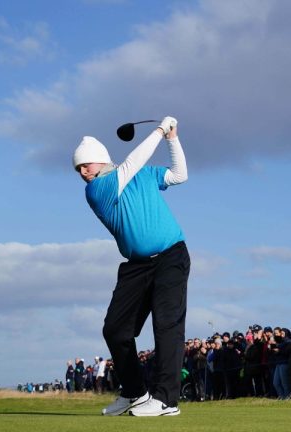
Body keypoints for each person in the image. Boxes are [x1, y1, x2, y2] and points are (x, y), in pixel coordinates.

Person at [73, 117, 189, 417]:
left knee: (166, 325)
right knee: (115, 330)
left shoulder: (143, 175)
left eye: (86, 165)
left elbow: (179, 175)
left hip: (171, 257)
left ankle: (166, 400)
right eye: (78, 169)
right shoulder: (98, 190)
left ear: (101, 160)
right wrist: (159, 131)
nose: (83, 172)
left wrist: (172, 139)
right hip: (135, 267)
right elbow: (130, 164)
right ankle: (135, 392)